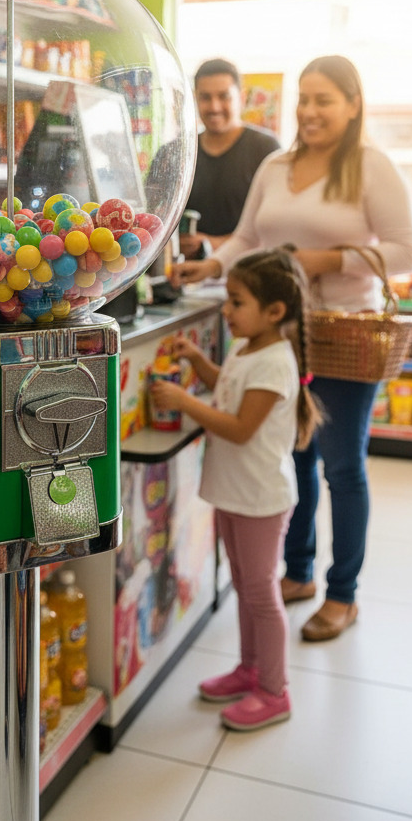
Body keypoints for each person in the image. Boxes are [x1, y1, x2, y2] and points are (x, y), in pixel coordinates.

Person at [172, 55, 412, 641]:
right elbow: (249, 237)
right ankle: (300, 570)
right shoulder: (276, 165)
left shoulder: (370, 166)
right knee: (296, 457)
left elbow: (405, 254)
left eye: (324, 100)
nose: (309, 111)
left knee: (341, 466)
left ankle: (344, 593)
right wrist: (210, 263)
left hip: (343, 334)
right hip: (281, 337)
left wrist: (328, 259)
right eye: (303, 99)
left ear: (353, 104)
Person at [150, 248, 320, 731]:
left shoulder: (274, 362)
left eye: (237, 301)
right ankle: (250, 669)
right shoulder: (249, 348)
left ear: (275, 312)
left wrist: (184, 401)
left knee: (261, 594)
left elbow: (241, 426)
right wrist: (200, 361)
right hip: (233, 491)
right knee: (245, 587)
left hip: (260, 499)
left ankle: (275, 690)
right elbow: (229, 387)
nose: (227, 310)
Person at [144, 59, 279, 257]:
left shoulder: (266, 149)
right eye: (205, 97)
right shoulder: (174, 152)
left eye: (224, 96)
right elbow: (152, 217)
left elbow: (275, 226)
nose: (214, 107)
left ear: (240, 98)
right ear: (195, 99)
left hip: (246, 272)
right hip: (182, 274)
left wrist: (210, 243)